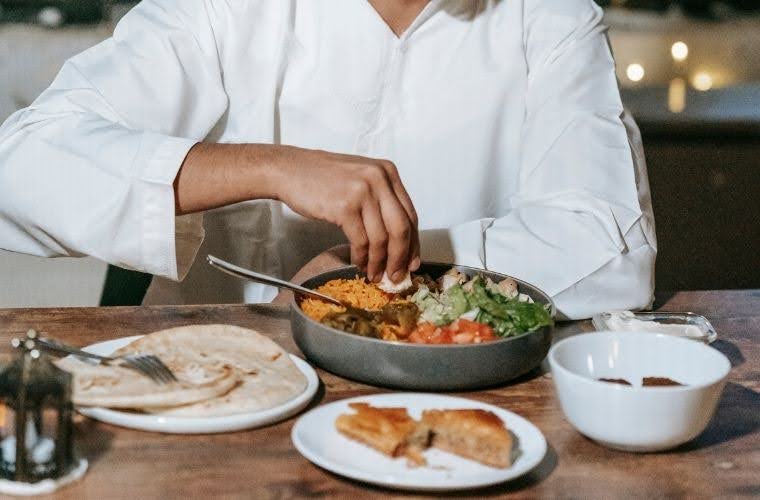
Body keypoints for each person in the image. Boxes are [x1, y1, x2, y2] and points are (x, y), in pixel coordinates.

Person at [0, 0, 656, 319]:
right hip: (224, 377)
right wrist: (271, 166)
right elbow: (22, 164)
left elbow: (613, 249)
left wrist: (369, 270)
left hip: (450, 387)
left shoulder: (552, 17)